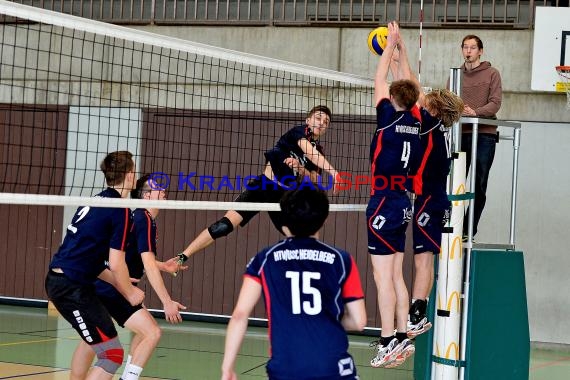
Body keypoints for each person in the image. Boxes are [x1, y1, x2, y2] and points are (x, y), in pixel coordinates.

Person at [221, 187, 366, 380]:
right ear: (323, 220)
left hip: (286, 369)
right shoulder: (341, 259)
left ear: (284, 221)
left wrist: (227, 368)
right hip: (334, 368)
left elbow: (240, 315)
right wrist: (324, 319)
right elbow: (358, 321)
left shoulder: (265, 259)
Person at [175, 105, 340, 266]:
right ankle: (181, 258)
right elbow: (310, 153)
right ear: (308, 120)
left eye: (326, 122)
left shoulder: (319, 151)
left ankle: (310, 274)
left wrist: (300, 168)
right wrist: (334, 173)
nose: (321, 123)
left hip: (283, 195)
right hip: (262, 186)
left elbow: (315, 180)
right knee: (224, 226)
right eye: (318, 118)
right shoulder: (298, 132)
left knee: (300, 237)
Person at [69, 174, 188, 380]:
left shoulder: (142, 218)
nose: (163, 190)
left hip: (104, 283)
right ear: (146, 196)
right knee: (152, 333)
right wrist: (166, 301)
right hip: (114, 287)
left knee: (92, 340)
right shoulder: (143, 218)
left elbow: (141, 258)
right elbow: (148, 265)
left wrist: (163, 266)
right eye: (157, 187)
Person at [390, 35, 464, 341]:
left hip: (429, 202)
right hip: (431, 200)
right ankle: (417, 312)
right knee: (424, 259)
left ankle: (418, 315)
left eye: (428, 100)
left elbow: (412, 88)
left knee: (423, 260)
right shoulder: (437, 127)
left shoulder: (431, 124)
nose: (424, 99)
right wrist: (397, 60)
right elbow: (409, 89)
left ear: (434, 110)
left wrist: (402, 53)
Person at [45, 151, 144, 380]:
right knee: (111, 354)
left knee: (99, 346)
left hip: (69, 282)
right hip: (70, 287)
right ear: (130, 175)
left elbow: (92, 260)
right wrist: (130, 293)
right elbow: (117, 262)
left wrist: (120, 282)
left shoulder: (97, 200)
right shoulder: (121, 210)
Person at [367, 21, 420, 368]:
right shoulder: (416, 120)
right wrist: (402, 53)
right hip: (402, 201)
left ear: (392, 99)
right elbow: (411, 86)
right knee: (397, 274)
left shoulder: (387, 117)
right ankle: (402, 336)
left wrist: (390, 45)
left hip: (383, 202)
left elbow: (379, 80)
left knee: (382, 277)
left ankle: (387, 341)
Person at [456, 34, 502, 239]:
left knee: (479, 184)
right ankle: (453, 227)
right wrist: (458, 110)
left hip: (484, 135)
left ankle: (468, 230)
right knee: (455, 183)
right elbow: (449, 102)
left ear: (480, 51)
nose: (468, 51)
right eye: (465, 47)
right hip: (460, 134)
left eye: (472, 48)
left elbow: (495, 103)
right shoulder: (455, 75)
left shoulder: (492, 73)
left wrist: (475, 112)